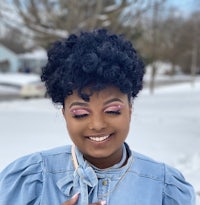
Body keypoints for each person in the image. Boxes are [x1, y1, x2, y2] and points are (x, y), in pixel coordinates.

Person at [0, 29, 196, 205]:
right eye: (81, 114)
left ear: (130, 108)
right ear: (65, 114)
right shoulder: (30, 179)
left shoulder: (165, 188)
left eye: (112, 111)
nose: (97, 124)